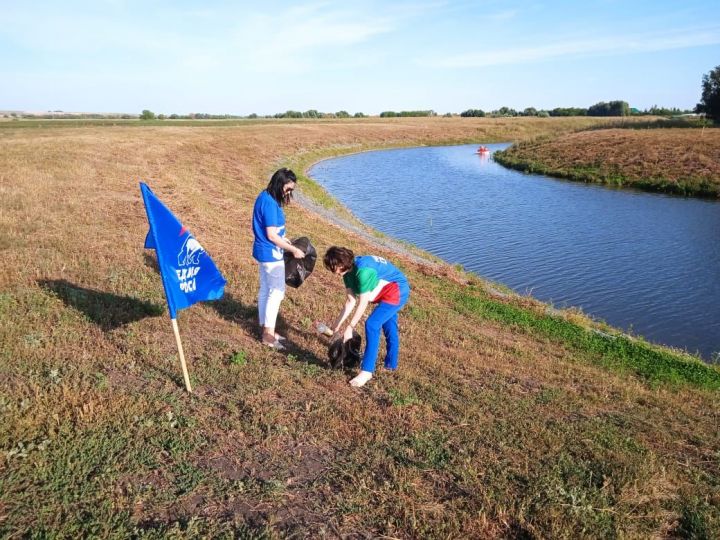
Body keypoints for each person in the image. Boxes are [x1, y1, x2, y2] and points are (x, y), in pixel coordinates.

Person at [323, 246, 410, 387]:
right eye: (331, 268)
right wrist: (335, 326)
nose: (334, 272)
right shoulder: (347, 273)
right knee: (389, 327)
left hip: (397, 290)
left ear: (342, 262)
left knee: (372, 324)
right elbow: (351, 301)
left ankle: (367, 371)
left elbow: (363, 303)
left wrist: (350, 327)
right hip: (383, 293)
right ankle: (391, 365)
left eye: (334, 267)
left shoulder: (363, 271)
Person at [252, 168, 305, 350]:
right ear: (279, 184)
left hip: (265, 251)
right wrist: (293, 250)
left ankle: (265, 327)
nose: (289, 193)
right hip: (271, 254)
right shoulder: (269, 204)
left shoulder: (266, 196)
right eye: (288, 189)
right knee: (277, 292)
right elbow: (272, 235)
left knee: (266, 289)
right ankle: (267, 334)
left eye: (291, 190)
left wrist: (284, 239)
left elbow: (275, 233)